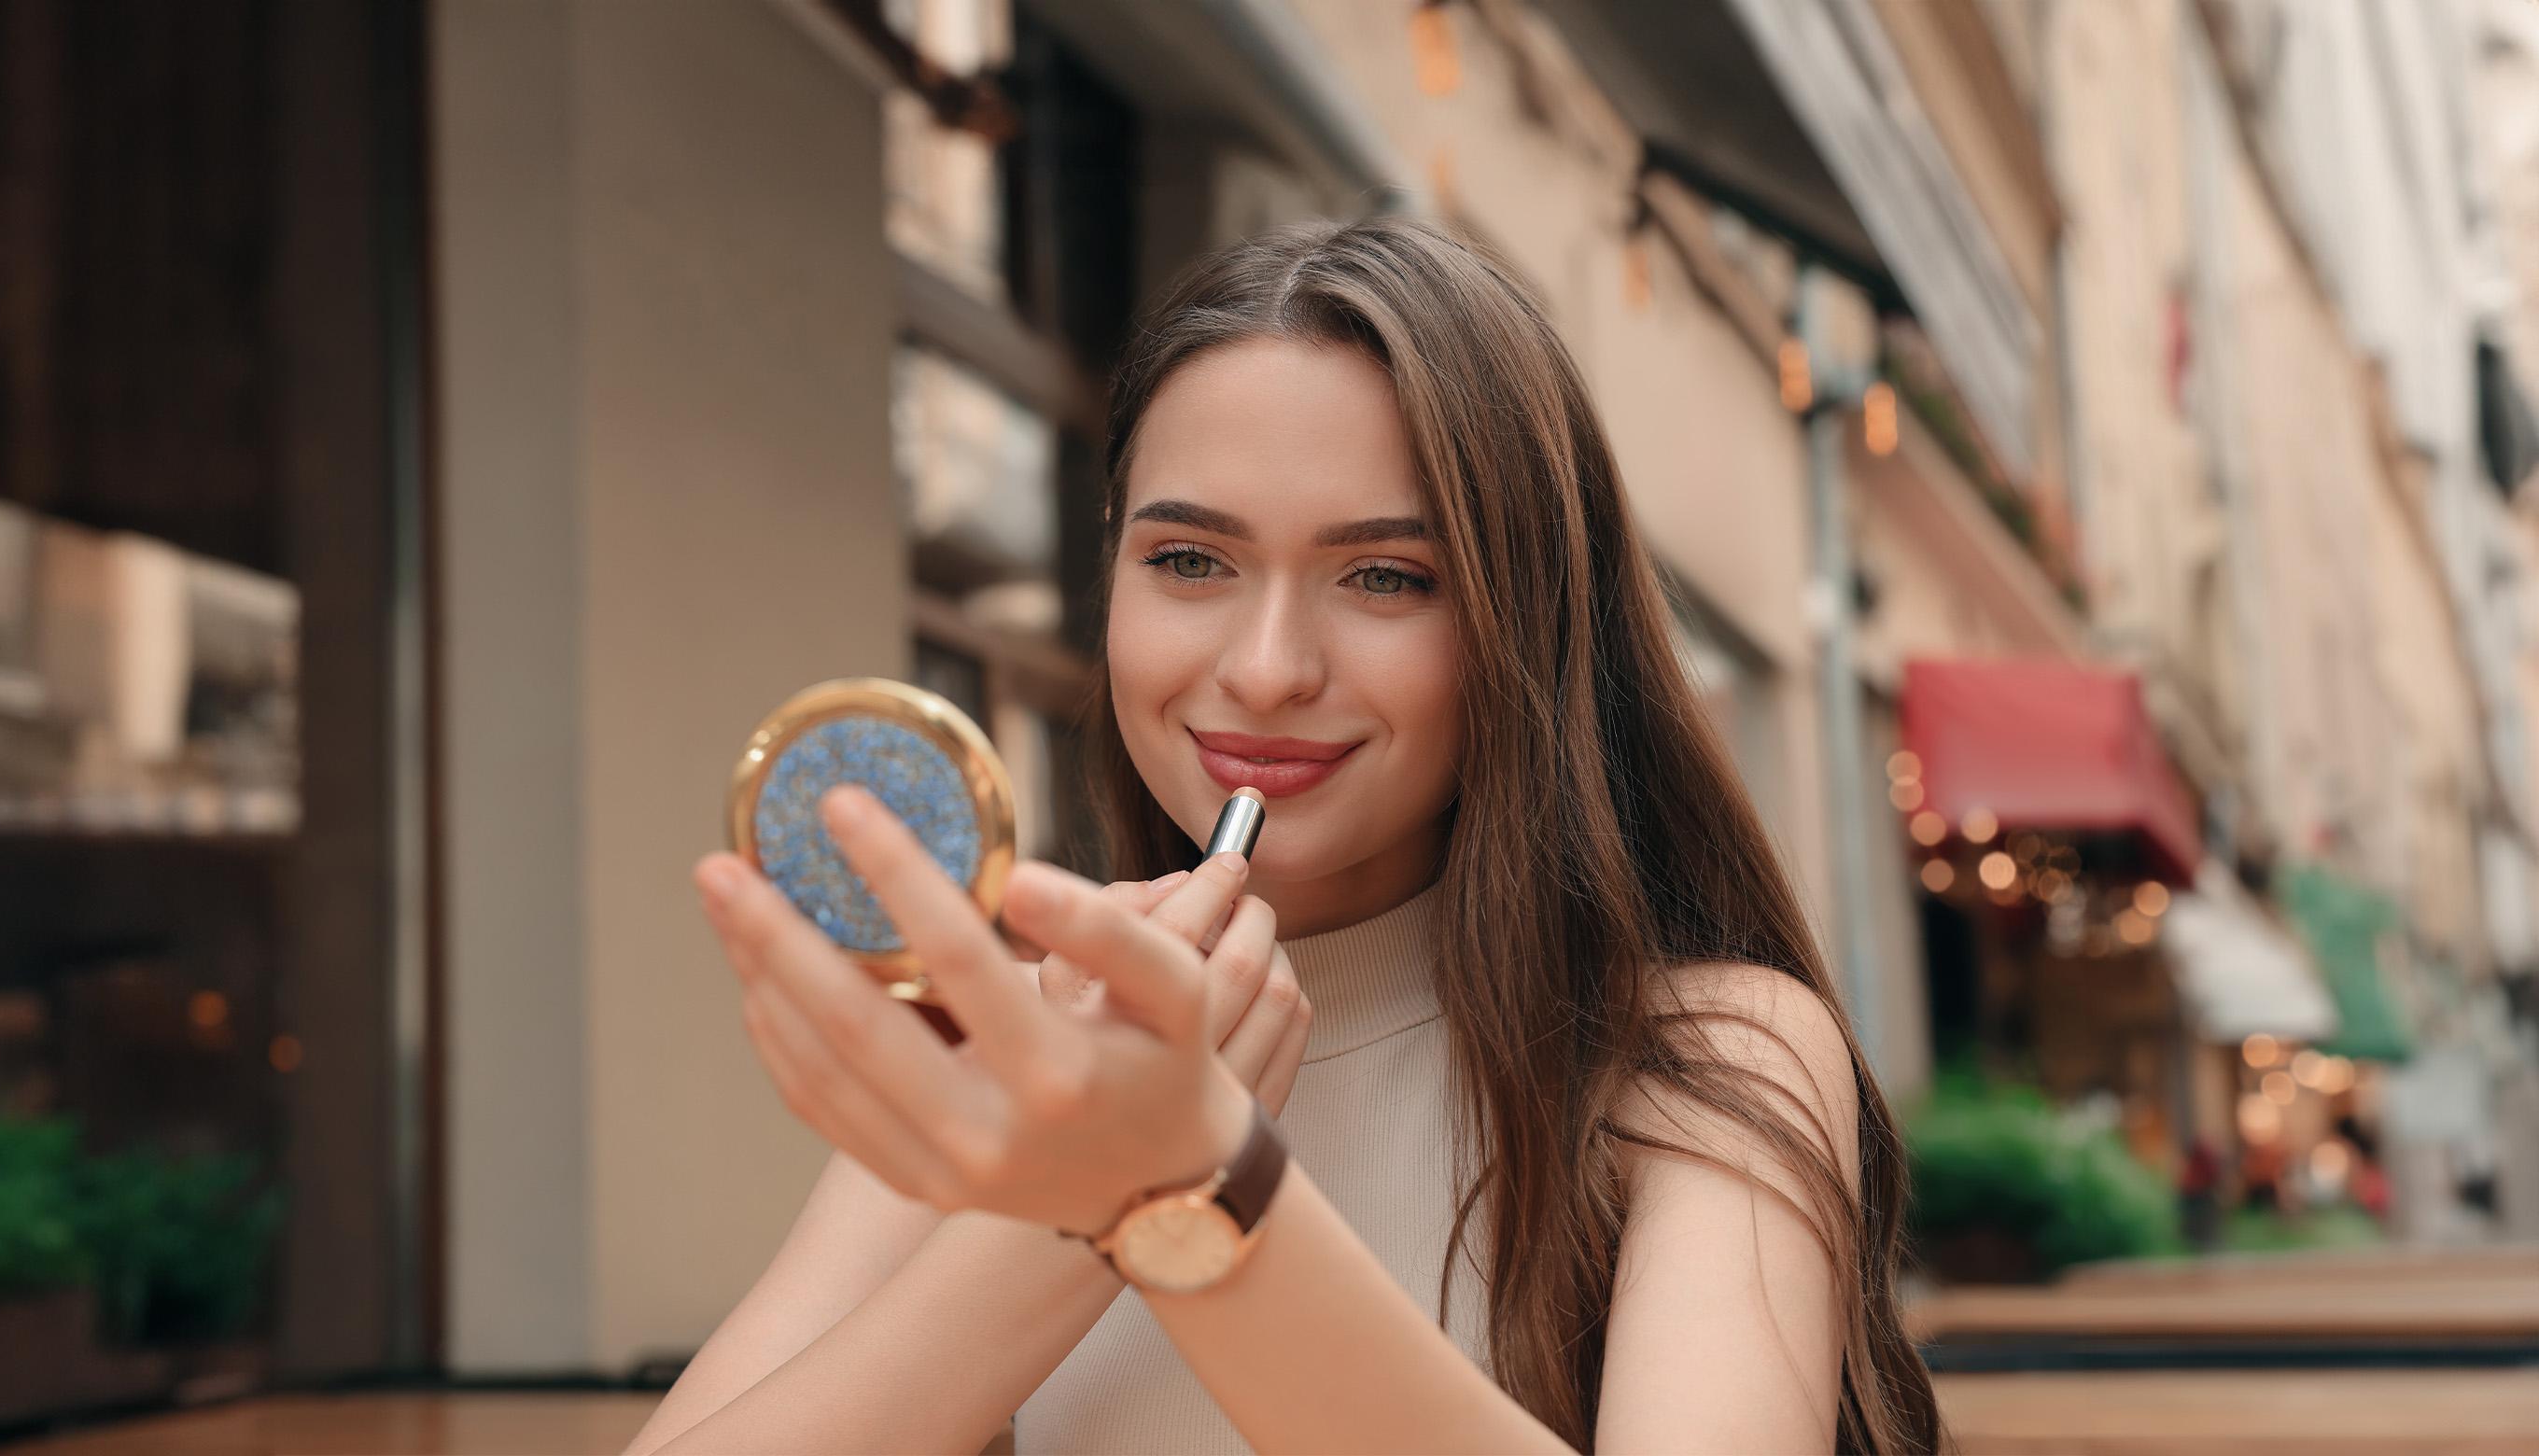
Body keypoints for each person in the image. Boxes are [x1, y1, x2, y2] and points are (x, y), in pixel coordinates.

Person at [627, 217, 1940, 1454]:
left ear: (1528, 619)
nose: (1264, 671)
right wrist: (1082, 1200)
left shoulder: (1707, 1057)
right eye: (1190, 562)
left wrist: (1193, 1189)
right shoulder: (1014, 1043)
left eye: (1386, 578)